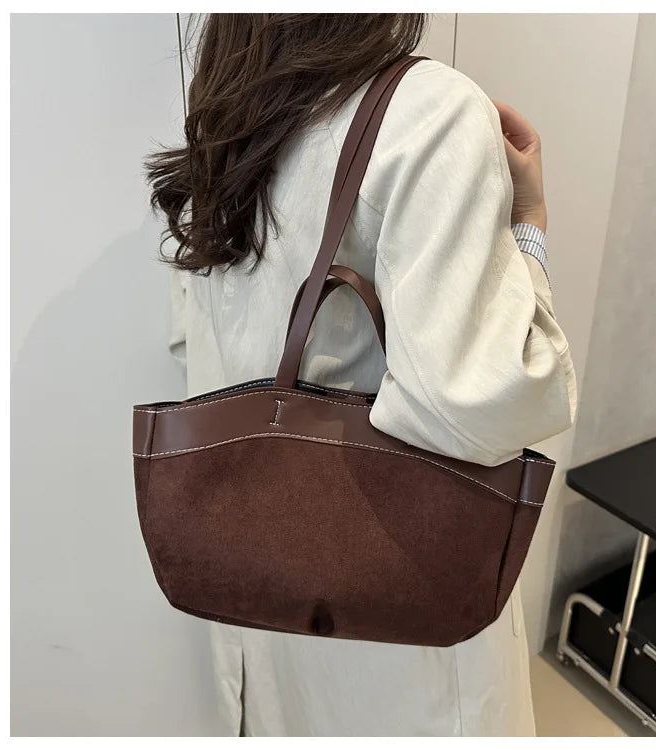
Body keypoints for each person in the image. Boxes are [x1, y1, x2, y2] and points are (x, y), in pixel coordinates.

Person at [146, 13, 577, 738]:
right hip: (401, 629)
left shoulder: (224, 125)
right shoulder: (427, 110)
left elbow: (192, 344)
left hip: (262, 601)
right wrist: (528, 222)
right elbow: (487, 404)